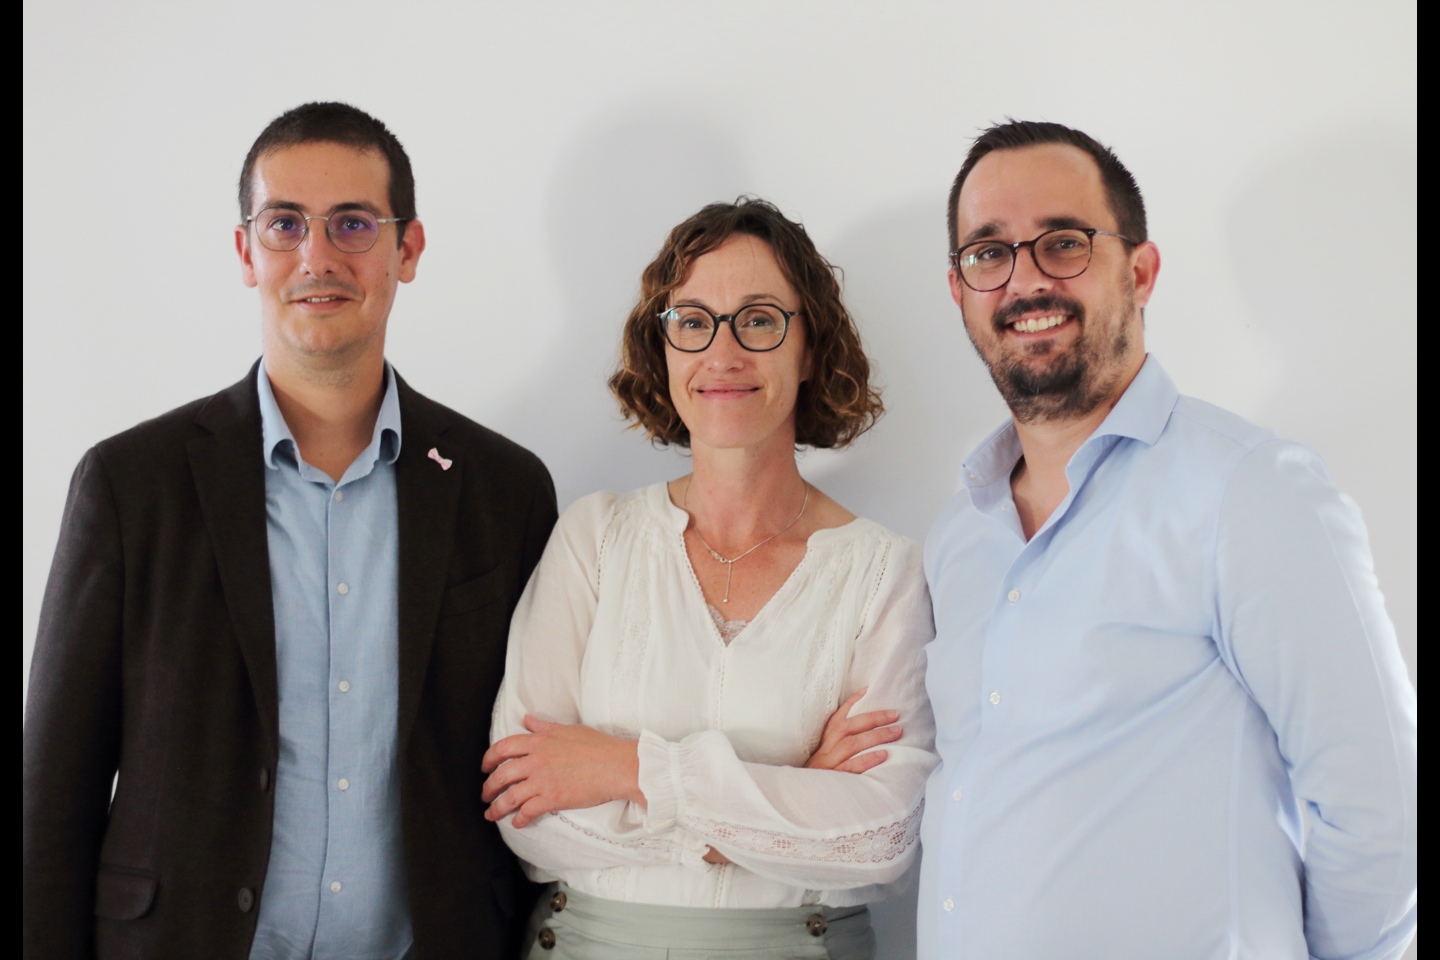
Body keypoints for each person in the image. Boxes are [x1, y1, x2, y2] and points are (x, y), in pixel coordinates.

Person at [22, 102, 557, 959]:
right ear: (246, 252)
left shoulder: (505, 490)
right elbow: (54, 790)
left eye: (353, 224)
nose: (317, 258)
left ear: (407, 249)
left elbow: (533, 765)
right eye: (285, 224)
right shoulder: (130, 485)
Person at [920, 120, 1417, 959]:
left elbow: (1383, 814)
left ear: (1140, 272)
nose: (1025, 280)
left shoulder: (1251, 491)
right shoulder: (957, 535)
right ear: (959, 290)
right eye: (989, 253)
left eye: (1064, 243)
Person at [480, 197, 937, 959]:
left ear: (811, 349)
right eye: (692, 321)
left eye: (759, 320)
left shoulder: (883, 571)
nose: (722, 353)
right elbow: (528, 811)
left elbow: (880, 836)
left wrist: (625, 769)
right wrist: (787, 799)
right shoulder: (595, 538)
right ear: (662, 350)